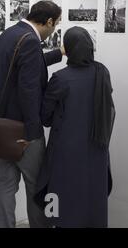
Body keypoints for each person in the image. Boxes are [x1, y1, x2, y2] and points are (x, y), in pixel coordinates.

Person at [0, 0, 64, 228]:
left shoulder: (10, 34)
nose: (55, 28)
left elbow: (26, 67)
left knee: (6, 181)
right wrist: (33, 132)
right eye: (56, 24)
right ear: (49, 21)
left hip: (0, 123)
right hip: (21, 127)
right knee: (37, 183)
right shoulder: (30, 41)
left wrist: (58, 53)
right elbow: (28, 89)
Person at [35, 27, 115, 228]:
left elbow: (45, 117)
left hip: (66, 152)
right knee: (92, 196)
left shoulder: (61, 78)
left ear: (68, 49)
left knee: (63, 199)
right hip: (97, 147)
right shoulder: (102, 72)